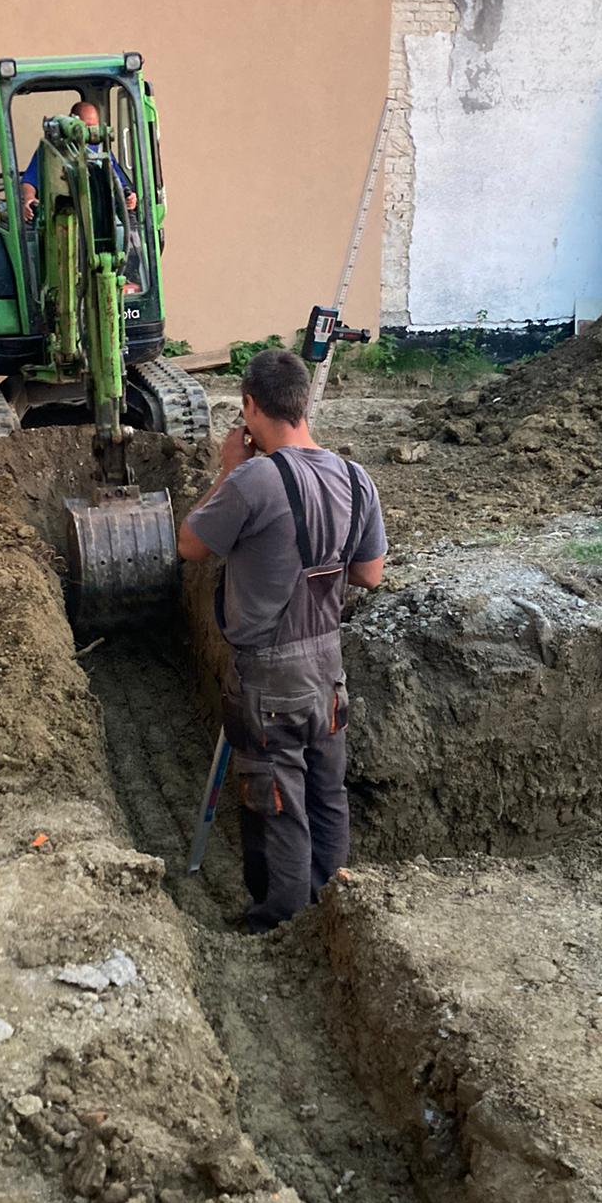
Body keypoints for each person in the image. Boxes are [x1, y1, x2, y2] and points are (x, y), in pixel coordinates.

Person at [177, 348, 386, 933]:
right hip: (328, 674)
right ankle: (330, 914)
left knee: (278, 806)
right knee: (326, 795)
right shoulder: (356, 478)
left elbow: (190, 546)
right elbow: (370, 574)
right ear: (302, 404)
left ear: (251, 406)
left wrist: (227, 468)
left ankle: (281, 926)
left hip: (269, 681)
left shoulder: (252, 481)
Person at [20, 101, 137, 222]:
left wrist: (130, 198)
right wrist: (29, 199)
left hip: (102, 217)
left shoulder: (102, 150)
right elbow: (29, 181)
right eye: (87, 127)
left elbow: (120, 183)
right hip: (61, 216)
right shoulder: (50, 151)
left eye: (94, 126)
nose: (91, 132)